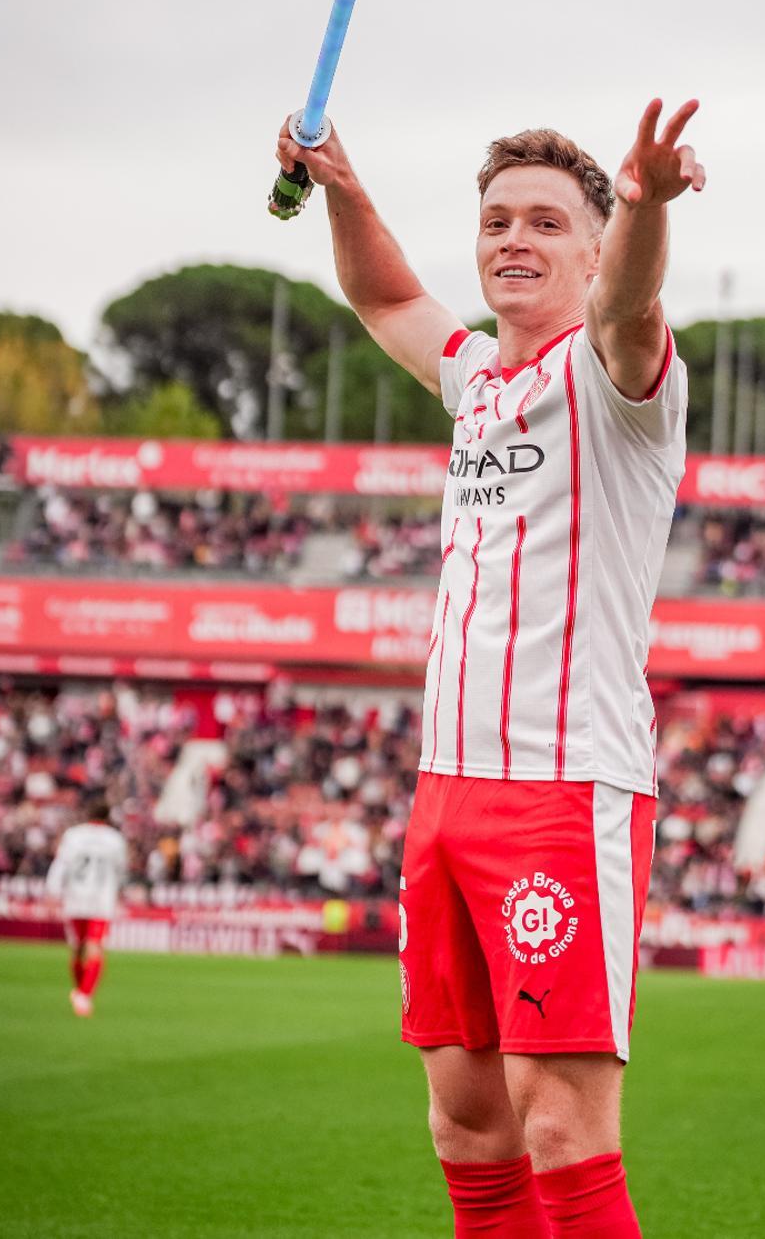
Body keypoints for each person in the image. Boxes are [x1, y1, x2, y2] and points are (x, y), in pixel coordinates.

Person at [277, 97, 704, 1237]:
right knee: (468, 1124)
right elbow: (383, 297)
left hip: (565, 792)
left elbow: (630, 305)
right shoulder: (475, 383)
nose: (516, 240)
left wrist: (650, 205)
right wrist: (346, 188)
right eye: (498, 220)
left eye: (549, 224)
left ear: (595, 246)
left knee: (562, 1124)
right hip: (446, 792)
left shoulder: (618, 387)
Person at [45, 797, 129, 1018]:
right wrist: (121, 891)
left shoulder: (74, 835)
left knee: (77, 948)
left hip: (75, 898)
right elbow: (121, 871)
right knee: (95, 946)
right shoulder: (115, 839)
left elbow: (60, 864)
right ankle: (84, 993)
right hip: (101, 899)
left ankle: (81, 991)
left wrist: (52, 890)